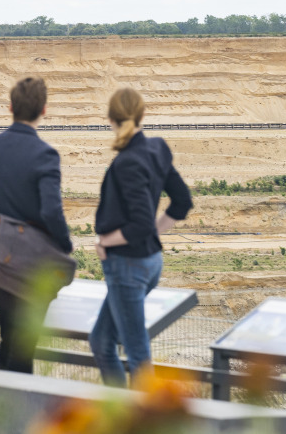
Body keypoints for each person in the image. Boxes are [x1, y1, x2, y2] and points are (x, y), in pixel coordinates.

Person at [0, 76, 73, 373]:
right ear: (44, 110)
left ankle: (4, 407)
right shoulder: (45, 155)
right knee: (24, 346)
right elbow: (51, 211)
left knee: (8, 338)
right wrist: (64, 245)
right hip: (33, 266)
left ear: (10, 107)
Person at [90, 87, 193, 388]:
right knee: (100, 341)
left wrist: (103, 243)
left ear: (110, 118)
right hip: (150, 261)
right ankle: (120, 410)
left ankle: (137, 420)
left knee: (137, 355)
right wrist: (153, 234)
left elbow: (138, 225)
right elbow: (182, 202)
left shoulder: (126, 162)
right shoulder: (157, 149)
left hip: (128, 266)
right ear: (142, 115)